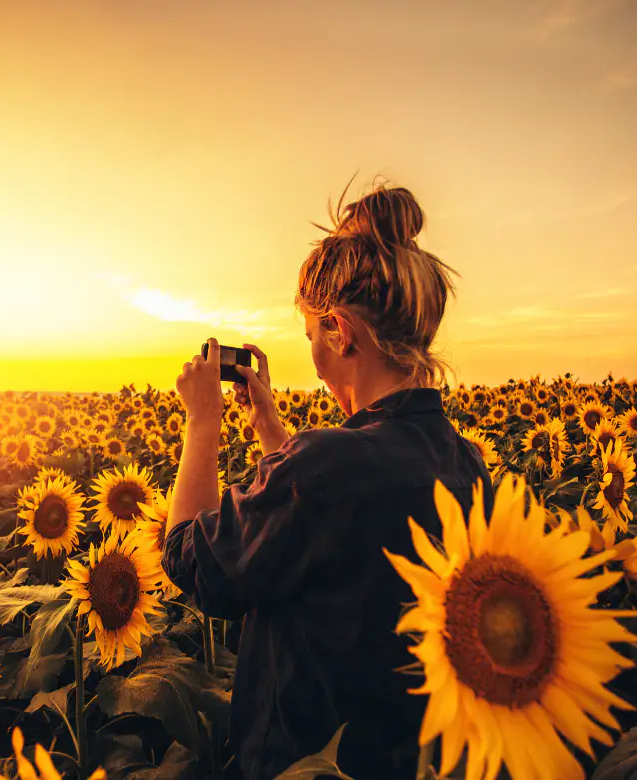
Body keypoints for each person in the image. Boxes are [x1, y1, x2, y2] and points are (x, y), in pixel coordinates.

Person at [162, 179, 494, 779]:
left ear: (340, 331)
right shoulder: (465, 461)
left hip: (309, 765)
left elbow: (191, 559)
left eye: (312, 333)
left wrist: (202, 424)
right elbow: (342, 530)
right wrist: (272, 434)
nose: (312, 353)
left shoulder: (322, 469)